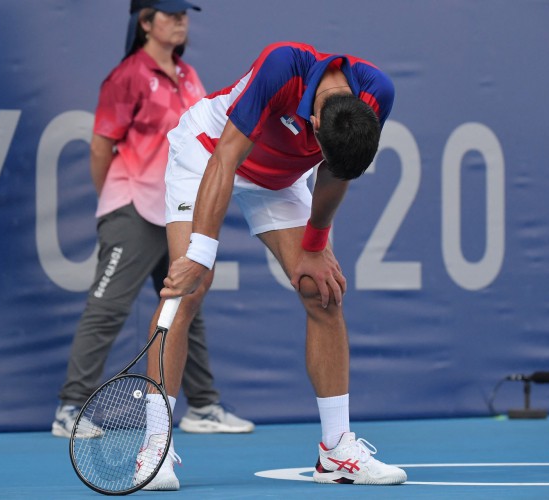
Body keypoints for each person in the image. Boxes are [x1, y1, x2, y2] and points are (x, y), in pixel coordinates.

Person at [135, 41, 408, 489]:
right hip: (209, 153)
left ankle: (336, 449)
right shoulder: (283, 67)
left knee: (321, 290)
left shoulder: (379, 93)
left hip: (279, 179)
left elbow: (337, 172)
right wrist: (199, 256)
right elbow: (226, 156)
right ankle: (155, 446)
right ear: (315, 124)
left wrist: (316, 245)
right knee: (189, 288)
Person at [52, 0, 254, 451]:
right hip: (133, 209)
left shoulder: (190, 76)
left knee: (187, 305)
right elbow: (101, 148)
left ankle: (202, 406)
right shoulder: (126, 77)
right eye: (170, 13)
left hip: (177, 211)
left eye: (185, 13)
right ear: (145, 22)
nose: (181, 20)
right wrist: (117, 202)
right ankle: (70, 408)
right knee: (107, 309)